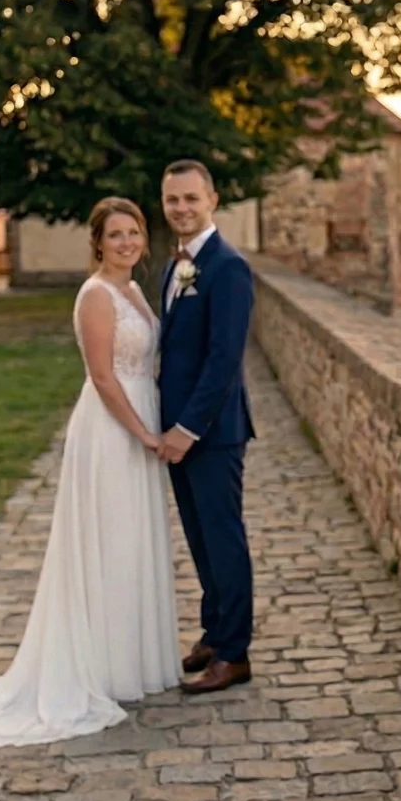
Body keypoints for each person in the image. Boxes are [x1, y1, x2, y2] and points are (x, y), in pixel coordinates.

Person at [0, 198, 181, 746]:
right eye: (116, 234)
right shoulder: (95, 295)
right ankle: (98, 668)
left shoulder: (132, 289)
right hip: (112, 429)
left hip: (141, 413)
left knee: (132, 542)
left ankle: (131, 662)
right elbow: (104, 379)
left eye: (134, 232)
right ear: (98, 243)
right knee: (107, 542)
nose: (128, 242)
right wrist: (144, 434)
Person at [156, 159, 256, 694]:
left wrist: (186, 428)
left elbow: (224, 360)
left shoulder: (227, 267)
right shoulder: (177, 265)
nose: (182, 208)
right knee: (199, 539)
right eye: (173, 200)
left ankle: (235, 653)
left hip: (212, 434)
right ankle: (215, 632)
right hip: (179, 431)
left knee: (224, 539)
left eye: (191, 198)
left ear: (212, 199)